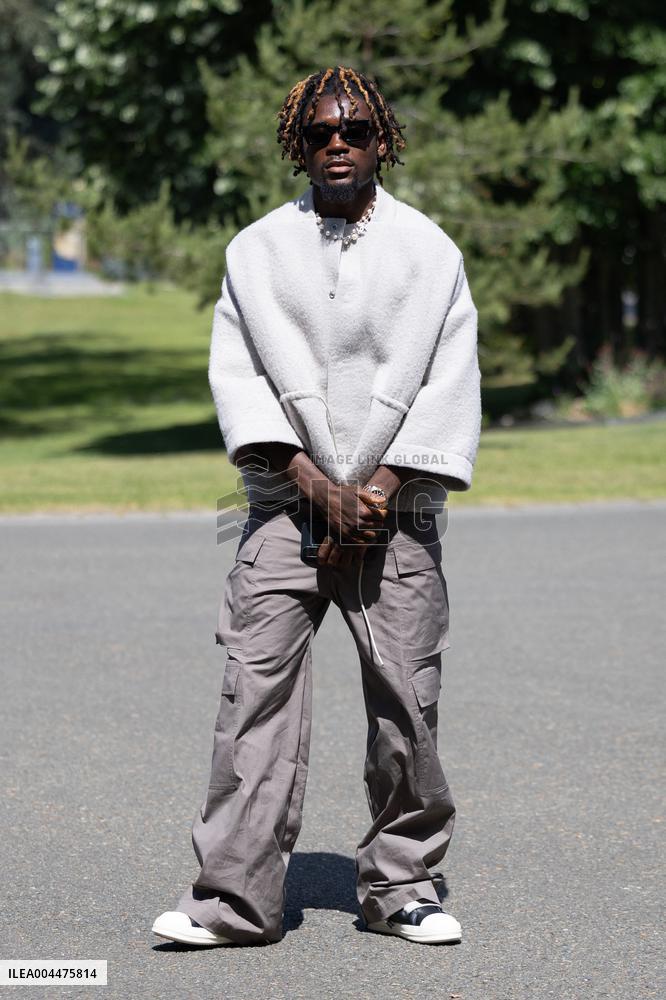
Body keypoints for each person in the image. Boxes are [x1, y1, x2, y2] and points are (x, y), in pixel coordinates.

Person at [153, 65, 481, 948]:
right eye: (320, 133)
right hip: (279, 507)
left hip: (397, 510)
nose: (338, 144)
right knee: (252, 695)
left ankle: (403, 887)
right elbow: (241, 379)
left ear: (385, 142)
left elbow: (448, 384)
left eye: (356, 131)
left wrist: (373, 495)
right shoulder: (256, 251)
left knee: (406, 701)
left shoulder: (429, 252)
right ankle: (234, 902)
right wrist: (314, 488)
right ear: (297, 145)